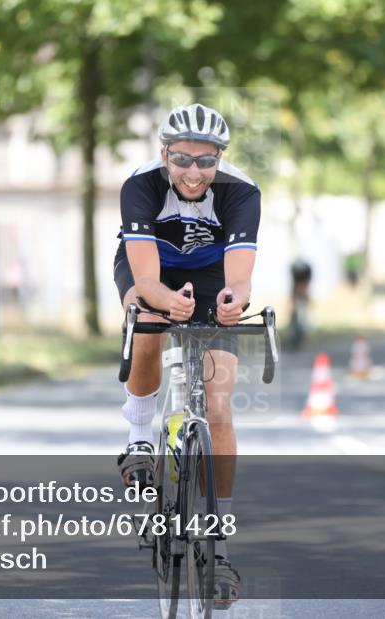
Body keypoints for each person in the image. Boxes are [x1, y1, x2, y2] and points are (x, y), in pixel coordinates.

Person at [114, 102, 258, 607]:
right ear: (164, 154)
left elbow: (239, 277)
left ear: (220, 158)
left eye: (206, 160)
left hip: (211, 272)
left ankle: (217, 548)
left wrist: (232, 302)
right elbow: (146, 276)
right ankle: (138, 437)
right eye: (182, 159)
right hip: (151, 267)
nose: (194, 172)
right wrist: (163, 301)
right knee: (148, 317)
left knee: (218, 405)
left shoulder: (242, 192)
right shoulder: (141, 185)